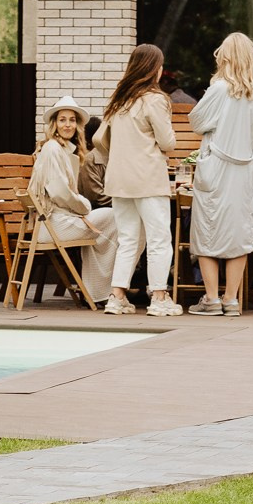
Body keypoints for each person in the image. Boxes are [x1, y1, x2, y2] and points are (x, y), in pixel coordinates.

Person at [94, 43, 185, 317]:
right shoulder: (155, 99)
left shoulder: (118, 100)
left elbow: (101, 140)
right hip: (147, 178)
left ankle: (117, 296)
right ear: (153, 69)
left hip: (119, 180)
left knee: (128, 239)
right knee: (159, 239)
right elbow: (167, 142)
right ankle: (159, 296)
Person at [188, 32, 253, 316]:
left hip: (217, 168)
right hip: (245, 172)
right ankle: (231, 299)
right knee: (240, 233)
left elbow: (197, 121)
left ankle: (210, 299)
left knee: (207, 231)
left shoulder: (220, 89)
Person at [29, 97, 116, 300]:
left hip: (60, 220)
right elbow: (60, 193)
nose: (67, 124)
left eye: (71, 120)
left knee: (107, 222)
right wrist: (84, 206)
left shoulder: (65, 150)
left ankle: (97, 290)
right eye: (62, 120)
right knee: (114, 218)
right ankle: (101, 291)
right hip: (53, 225)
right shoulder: (52, 149)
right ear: (54, 124)